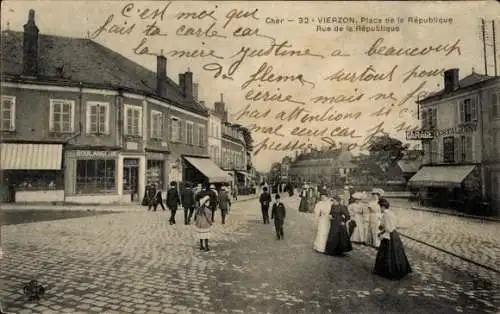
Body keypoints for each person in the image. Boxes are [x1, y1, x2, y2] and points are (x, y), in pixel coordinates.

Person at [373, 198, 412, 280]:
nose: (379, 209)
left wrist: (382, 235)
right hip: (394, 235)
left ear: (382, 207)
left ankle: (389, 272)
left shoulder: (386, 214)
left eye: (380, 207)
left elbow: (388, 228)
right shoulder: (390, 212)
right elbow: (391, 225)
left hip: (389, 235)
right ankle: (397, 270)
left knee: (388, 254)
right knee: (394, 254)